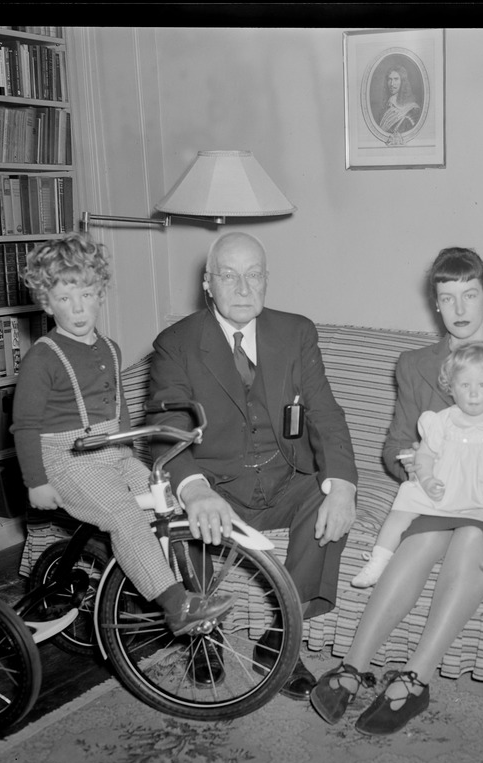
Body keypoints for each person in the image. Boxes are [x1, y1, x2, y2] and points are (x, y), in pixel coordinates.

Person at [309, 246, 483, 735]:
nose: (461, 309)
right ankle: (351, 667)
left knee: (472, 537)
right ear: (436, 304)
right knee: (421, 538)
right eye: (448, 299)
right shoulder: (413, 365)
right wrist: (409, 466)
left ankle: (415, 680)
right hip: (441, 493)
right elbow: (396, 441)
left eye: (470, 295)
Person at [146, 231, 358, 700]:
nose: (243, 288)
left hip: (284, 481)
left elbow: (323, 410)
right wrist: (195, 489)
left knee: (327, 499)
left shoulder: (297, 331)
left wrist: (343, 483)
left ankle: (281, 638)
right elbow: (168, 425)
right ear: (208, 283)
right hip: (219, 487)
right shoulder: (175, 344)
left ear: (267, 280)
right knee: (180, 512)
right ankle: (203, 636)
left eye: (254, 275)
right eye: (229, 276)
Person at [11, 233, 236, 672]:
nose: (78, 308)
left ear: (100, 295)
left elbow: (122, 411)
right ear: (46, 303)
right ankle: (175, 605)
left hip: (111, 449)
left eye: (88, 295)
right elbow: (25, 426)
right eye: (64, 298)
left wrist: (136, 458)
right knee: (123, 515)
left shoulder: (110, 348)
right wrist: (36, 481)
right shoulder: (43, 357)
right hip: (67, 459)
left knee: (165, 501)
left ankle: (186, 585)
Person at [351, 340, 483, 589]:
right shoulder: (441, 421)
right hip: (446, 490)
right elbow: (425, 456)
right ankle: (379, 559)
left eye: (482, 384)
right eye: (464, 385)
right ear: (451, 388)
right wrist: (427, 479)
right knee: (405, 499)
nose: (473, 393)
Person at [378, 65, 420, 144]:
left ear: (402, 82)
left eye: (396, 79)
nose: (392, 84)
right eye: (389, 79)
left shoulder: (413, 110)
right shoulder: (386, 107)